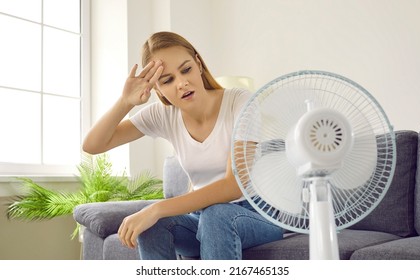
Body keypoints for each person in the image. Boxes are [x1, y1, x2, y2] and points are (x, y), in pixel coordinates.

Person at [82, 31, 284, 260]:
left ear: (198, 64)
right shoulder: (164, 115)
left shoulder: (239, 102)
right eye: (167, 80)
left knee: (214, 216)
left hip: (254, 214)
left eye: (186, 69)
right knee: (155, 225)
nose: (182, 83)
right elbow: (92, 145)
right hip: (201, 218)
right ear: (157, 88)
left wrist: (156, 209)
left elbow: (233, 186)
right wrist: (125, 102)